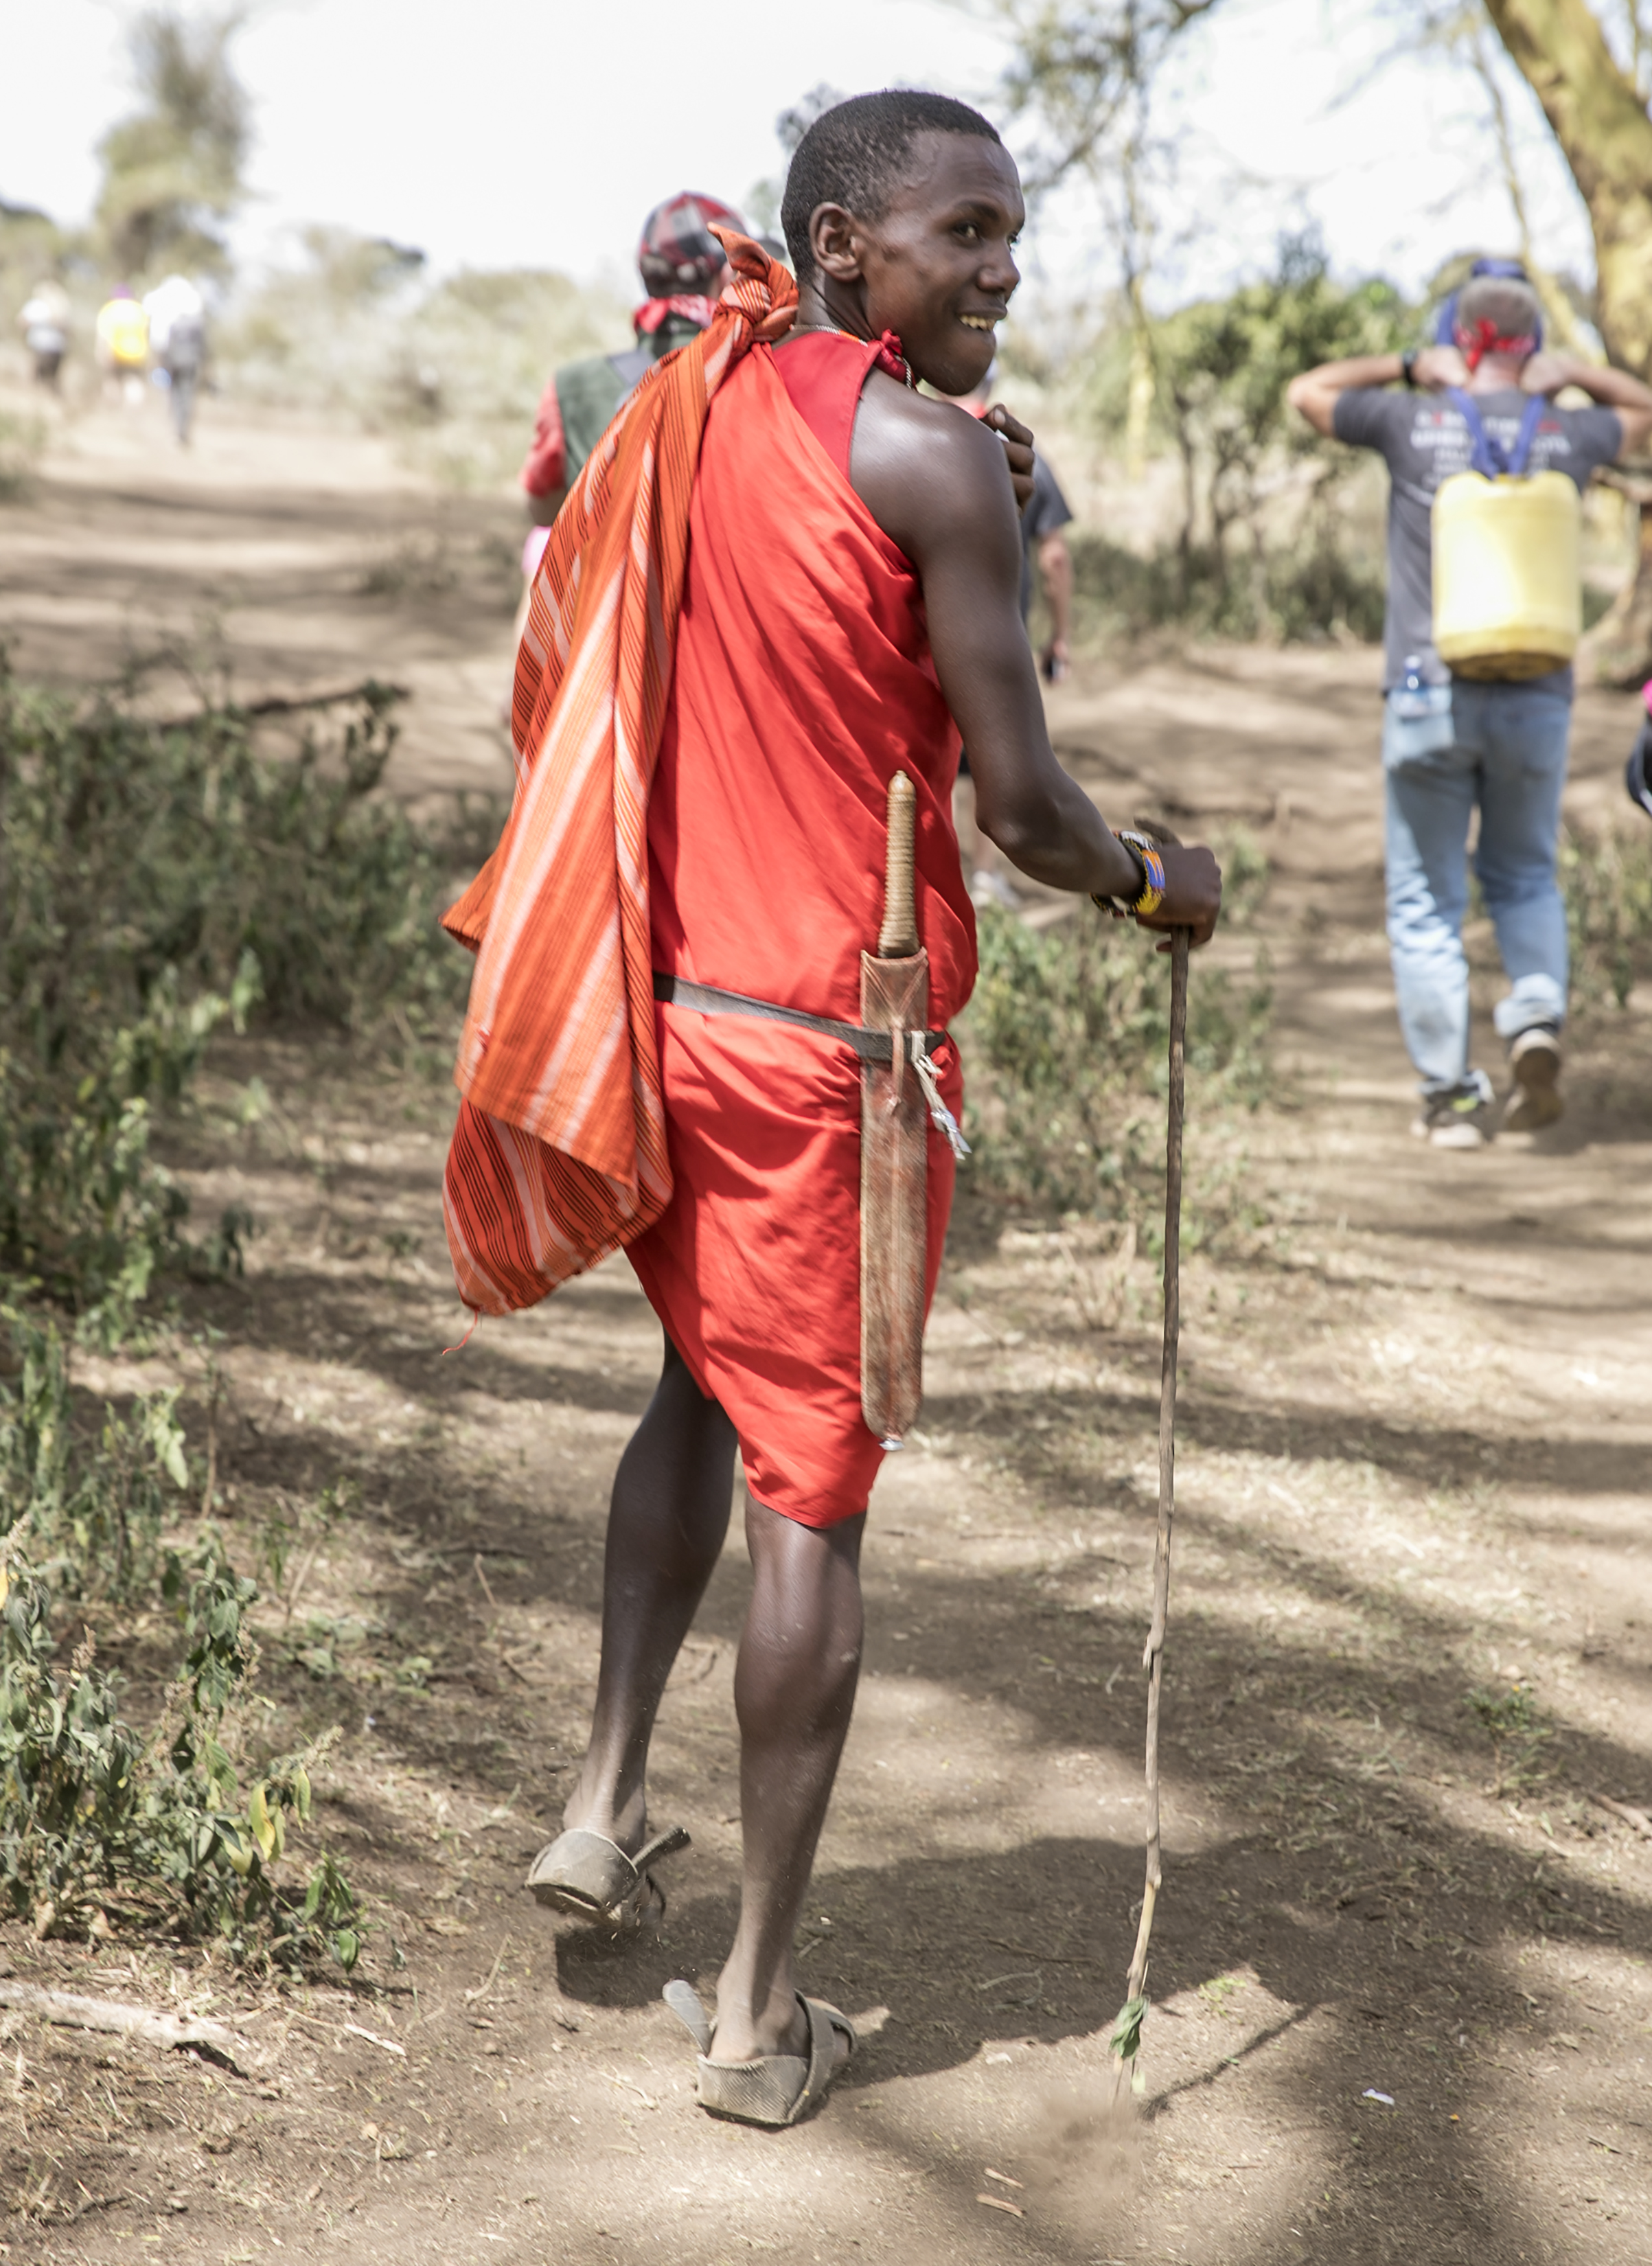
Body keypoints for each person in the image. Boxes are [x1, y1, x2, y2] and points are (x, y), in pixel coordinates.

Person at [440, 90, 1221, 2126]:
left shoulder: (692, 406)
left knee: (696, 1392)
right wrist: (1156, 877)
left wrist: (976, 474)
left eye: (1009, 231)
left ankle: (607, 1797)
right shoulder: (925, 454)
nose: (1001, 267)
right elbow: (1022, 806)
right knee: (812, 1497)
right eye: (964, 231)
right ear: (843, 244)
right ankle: (758, 2016)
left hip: (670, 1011)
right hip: (826, 1062)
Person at [1289, 267, 1652, 1145]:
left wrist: (1412, 365)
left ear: (1461, 338)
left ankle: (1451, 1099)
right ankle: (1535, 1014)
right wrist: (1571, 374)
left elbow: (1307, 393)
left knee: (1426, 900)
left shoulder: (1412, 420)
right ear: (1532, 346)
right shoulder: (1571, 431)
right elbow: (1645, 410)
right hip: (1538, 700)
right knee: (1525, 874)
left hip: (1428, 698)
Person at [512, 192, 746, 634]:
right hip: (719, 638)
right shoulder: (760, 373)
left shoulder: (572, 387)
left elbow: (543, 510)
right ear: (727, 274)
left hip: (603, 638)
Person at [940, 362, 1076, 906]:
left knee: (937, 747)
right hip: (1002, 632)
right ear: (992, 388)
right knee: (992, 750)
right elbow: (1055, 557)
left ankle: (938, 872)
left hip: (930, 633)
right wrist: (1060, 635)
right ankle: (985, 874)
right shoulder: (1023, 455)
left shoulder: (918, 440)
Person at [143, 274, 207, 444]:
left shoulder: (173, 324)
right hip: (191, 363)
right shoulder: (196, 323)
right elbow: (204, 345)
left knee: (176, 394)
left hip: (174, 362)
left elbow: (164, 344)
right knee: (187, 395)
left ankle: (178, 430)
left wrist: (162, 361)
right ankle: (182, 431)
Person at [94, 285, 148, 404]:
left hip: (115, 352)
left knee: (112, 380)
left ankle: (114, 407)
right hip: (136, 353)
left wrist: (101, 352)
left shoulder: (109, 310)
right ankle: (133, 409)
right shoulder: (138, 309)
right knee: (133, 381)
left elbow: (103, 336)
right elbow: (146, 332)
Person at [17, 279, 70, 389]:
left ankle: (38, 395)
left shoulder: (39, 305)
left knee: (39, 379)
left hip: (43, 347)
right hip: (52, 348)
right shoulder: (60, 306)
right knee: (47, 379)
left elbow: (21, 321)